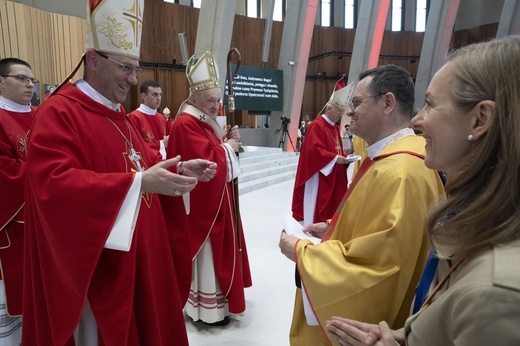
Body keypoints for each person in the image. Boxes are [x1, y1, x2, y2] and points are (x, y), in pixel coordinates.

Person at [22, 1, 217, 345]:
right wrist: (138, 183)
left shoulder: (119, 117)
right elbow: (52, 185)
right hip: (98, 268)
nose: (133, 79)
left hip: (140, 255)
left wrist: (179, 169)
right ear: (93, 60)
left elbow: (142, 164)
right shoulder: (60, 113)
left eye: (136, 68)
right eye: (126, 68)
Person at [325, 35, 520, 346]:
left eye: (430, 104)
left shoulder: (497, 292)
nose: (417, 119)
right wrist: (407, 337)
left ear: (480, 119)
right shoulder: (479, 222)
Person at [279, 64, 445, 345]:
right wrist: (333, 226)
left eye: (356, 102)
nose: (349, 111)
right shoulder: (395, 159)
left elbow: (380, 271)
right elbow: (378, 231)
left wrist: (301, 251)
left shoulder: (400, 172)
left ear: (387, 103)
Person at [166, 50, 252, 326]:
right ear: (194, 99)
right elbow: (206, 164)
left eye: (217, 100)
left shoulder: (202, 122)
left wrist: (227, 142)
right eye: (210, 101)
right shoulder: (185, 123)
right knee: (208, 257)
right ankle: (206, 309)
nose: (215, 105)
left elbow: (214, 150)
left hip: (220, 202)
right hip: (204, 207)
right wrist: (228, 148)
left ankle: (221, 305)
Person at [0, 57, 39, 345]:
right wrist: (51, 174)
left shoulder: (42, 114)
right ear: (1, 81)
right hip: (16, 222)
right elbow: (5, 171)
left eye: (32, 80)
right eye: (21, 78)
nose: (29, 85)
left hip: (49, 219)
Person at [291, 79, 354, 226]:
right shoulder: (317, 126)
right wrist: (335, 158)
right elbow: (314, 152)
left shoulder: (333, 127)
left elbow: (337, 149)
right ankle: (314, 226)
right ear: (329, 109)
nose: (341, 115)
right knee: (318, 206)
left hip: (334, 174)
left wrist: (346, 157)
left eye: (342, 112)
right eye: (339, 111)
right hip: (319, 177)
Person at [128, 80, 170, 159]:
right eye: (155, 95)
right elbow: (136, 146)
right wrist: (162, 143)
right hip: (147, 162)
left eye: (160, 94)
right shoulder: (135, 117)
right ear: (144, 96)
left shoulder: (161, 117)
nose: (159, 98)